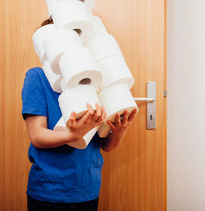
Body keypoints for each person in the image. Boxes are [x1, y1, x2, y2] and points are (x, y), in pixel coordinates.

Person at [22, 18, 138, 211]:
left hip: (87, 188)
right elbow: (37, 136)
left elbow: (106, 145)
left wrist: (119, 131)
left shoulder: (95, 79)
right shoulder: (37, 77)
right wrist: (72, 135)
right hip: (49, 190)